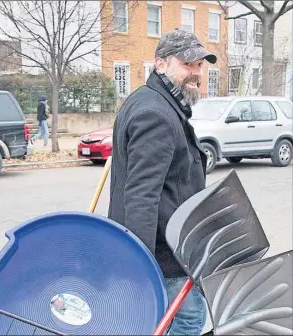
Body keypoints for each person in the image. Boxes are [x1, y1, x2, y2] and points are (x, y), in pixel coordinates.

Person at [108, 29, 217, 335]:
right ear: (160, 64)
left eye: (199, 65)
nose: (196, 72)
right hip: (164, 256)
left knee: (160, 322)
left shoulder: (153, 101)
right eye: (187, 64)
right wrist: (142, 265)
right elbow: (142, 196)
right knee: (187, 321)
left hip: (169, 249)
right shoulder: (155, 114)